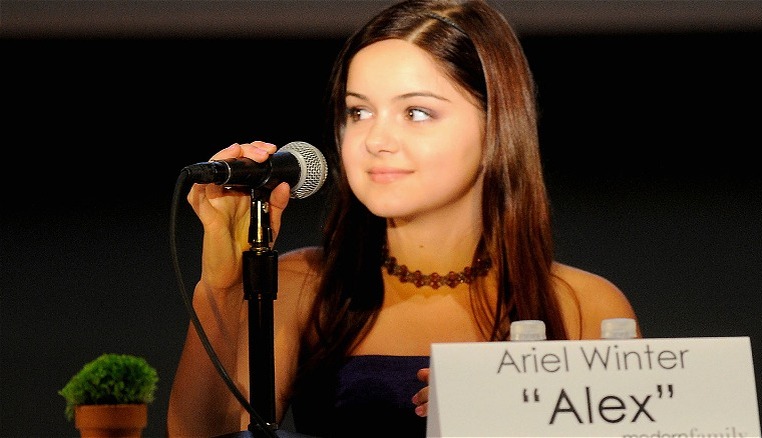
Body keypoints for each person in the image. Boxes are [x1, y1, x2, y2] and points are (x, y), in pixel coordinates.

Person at [167, 0, 641, 437]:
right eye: (359, 111)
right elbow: (204, 433)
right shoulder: (301, 285)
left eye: (416, 112)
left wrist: (523, 412)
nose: (376, 140)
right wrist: (224, 286)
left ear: (497, 123)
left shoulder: (584, 307)